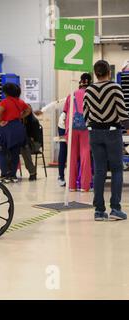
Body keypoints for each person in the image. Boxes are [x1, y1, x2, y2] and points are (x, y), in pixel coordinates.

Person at [84, 60, 129, 221]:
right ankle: (115, 209)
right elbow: (122, 112)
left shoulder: (88, 90)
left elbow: (85, 115)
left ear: (96, 73)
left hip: (94, 133)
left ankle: (99, 211)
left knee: (99, 171)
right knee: (117, 169)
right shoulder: (115, 87)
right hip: (112, 132)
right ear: (109, 72)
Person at [0, 83, 32, 183]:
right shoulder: (20, 102)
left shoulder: (5, 102)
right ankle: (13, 175)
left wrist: (0, 122)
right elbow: (29, 109)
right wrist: (21, 116)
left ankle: (4, 174)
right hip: (18, 127)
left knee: (2, 151)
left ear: (6, 92)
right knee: (15, 153)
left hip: (7, 127)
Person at [64, 73, 93, 192]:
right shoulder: (92, 94)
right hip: (86, 127)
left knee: (71, 155)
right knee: (85, 155)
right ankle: (85, 186)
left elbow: (65, 111)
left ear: (80, 82)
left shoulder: (72, 94)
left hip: (71, 127)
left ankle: (71, 186)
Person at [35, 98, 68, 186]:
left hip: (79, 127)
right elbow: (55, 104)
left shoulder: (90, 96)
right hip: (64, 125)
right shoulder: (71, 96)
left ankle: (79, 177)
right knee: (63, 149)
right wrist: (43, 110)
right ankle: (61, 176)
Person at [21, 110, 42, 181]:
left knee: (24, 148)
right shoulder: (21, 121)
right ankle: (9, 173)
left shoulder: (34, 121)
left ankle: (32, 172)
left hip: (35, 144)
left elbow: (34, 138)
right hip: (25, 142)